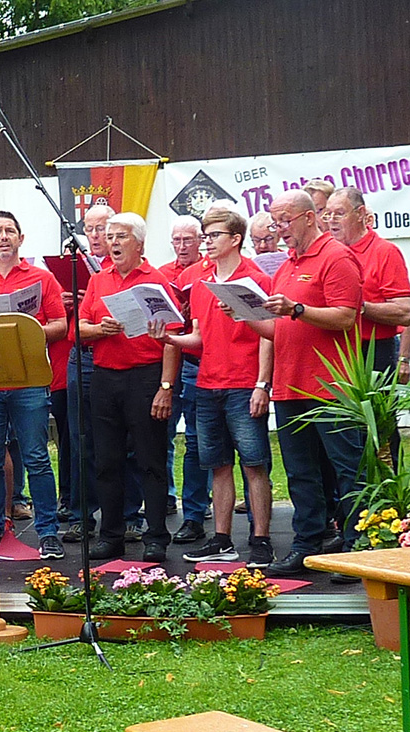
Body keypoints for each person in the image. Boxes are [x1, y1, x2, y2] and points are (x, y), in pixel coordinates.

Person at [149, 209, 276, 567]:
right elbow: (200, 336)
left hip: (243, 383)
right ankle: (222, 539)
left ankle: (261, 540)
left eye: (214, 235)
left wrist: (261, 384)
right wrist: (169, 337)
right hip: (207, 383)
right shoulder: (201, 280)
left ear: (235, 239)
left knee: (255, 465)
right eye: (205, 235)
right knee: (217, 465)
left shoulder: (256, 278)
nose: (207, 242)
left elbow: (270, 336)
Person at [246, 190, 364, 576]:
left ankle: (353, 549)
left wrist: (297, 308)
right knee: (299, 472)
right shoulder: (287, 265)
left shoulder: (336, 256)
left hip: (331, 385)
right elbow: (276, 330)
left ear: (309, 218)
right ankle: (306, 543)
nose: (280, 231)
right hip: (291, 384)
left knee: (346, 469)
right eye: (275, 223)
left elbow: (347, 317)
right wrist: (242, 314)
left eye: (284, 221)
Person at [0, 211, 68, 560]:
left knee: (36, 458)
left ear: (21, 239)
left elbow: (61, 326)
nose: (3, 236)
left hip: (30, 381)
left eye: (10, 231)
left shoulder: (41, 279)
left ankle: (48, 533)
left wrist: (27, 330)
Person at [79, 213, 179, 563]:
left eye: (121, 236)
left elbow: (174, 338)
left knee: (150, 459)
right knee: (106, 460)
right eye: (110, 237)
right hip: (106, 376)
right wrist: (98, 329)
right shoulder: (98, 279)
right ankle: (111, 535)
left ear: (139, 242)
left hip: (146, 375)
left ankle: (155, 536)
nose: (114, 243)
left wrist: (165, 386)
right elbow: (80, 326)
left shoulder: (158, 280)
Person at [159, 215, 211, 546]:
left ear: (201, 241)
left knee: (196, 439)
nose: (181, 247)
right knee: (161, 432)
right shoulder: (164, 273)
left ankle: (194, 511)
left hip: (195, 360)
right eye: (176, 241)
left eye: (187, 241)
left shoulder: (204, 273)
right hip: (166, 360)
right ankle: (165, 495)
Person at [325, 187, 410, 372]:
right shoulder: (326, 253)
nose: (331, 221)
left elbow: (405, 312)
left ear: (360, 213)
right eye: (327, 215)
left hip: (373, 353)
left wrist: (357, 307)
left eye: (339, 214)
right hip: (331, 350)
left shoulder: (385, 252)